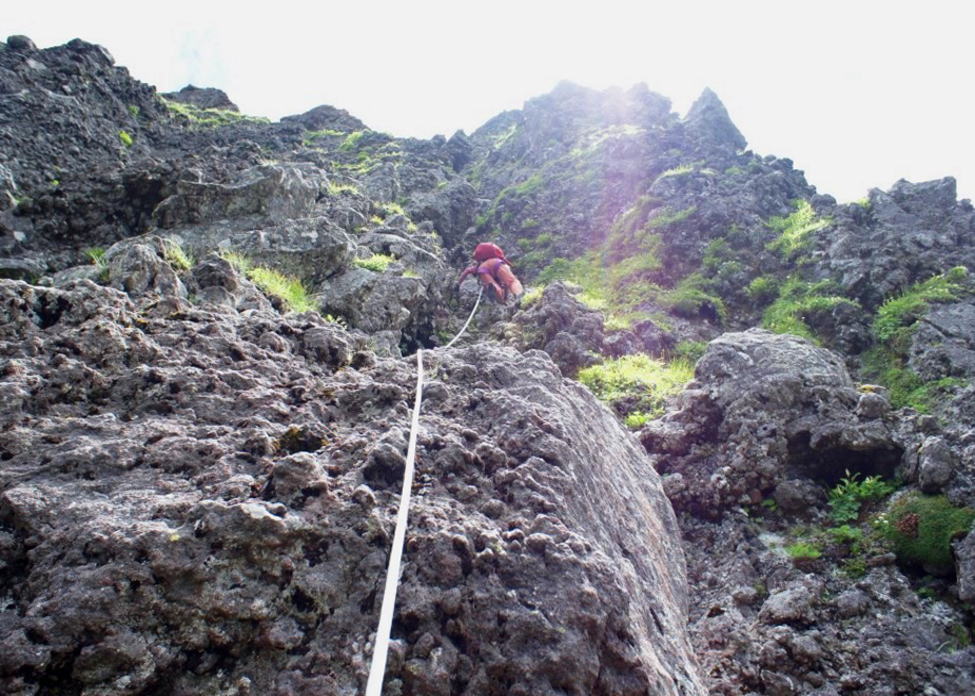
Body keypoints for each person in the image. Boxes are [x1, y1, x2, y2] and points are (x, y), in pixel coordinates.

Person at [458, 243, 524, 302]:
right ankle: (519, 296)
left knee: (495, 288)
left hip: (483, 269)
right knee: (512, 282)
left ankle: (496, 291)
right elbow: (506, 262)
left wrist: (458, 283)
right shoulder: (496, 257)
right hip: (497, 263)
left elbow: (467, 270)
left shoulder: (478, 266)